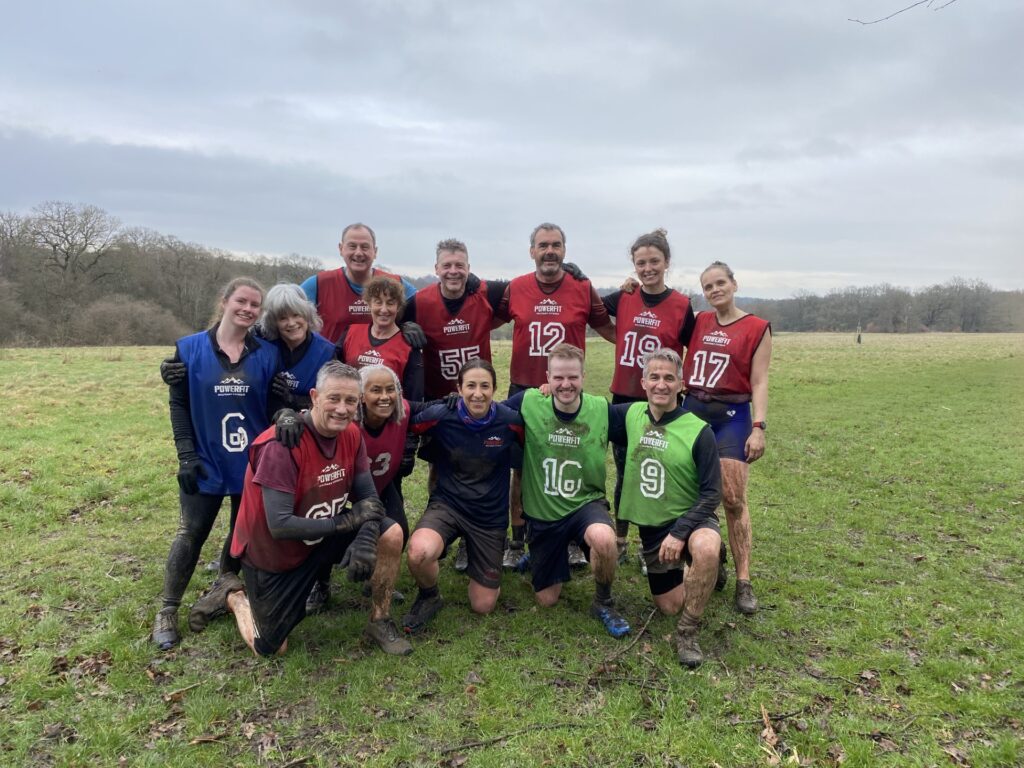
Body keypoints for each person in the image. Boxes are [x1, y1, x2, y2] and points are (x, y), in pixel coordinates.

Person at [218, 361, 411, 656]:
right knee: (270, 648)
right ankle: (233, 595)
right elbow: (280, 526)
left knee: (392, 533)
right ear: (314, 397)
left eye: (350, 400)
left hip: (320, 531)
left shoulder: (351, 434)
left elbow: (369, 500)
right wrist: (348, 523)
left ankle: (380, 619)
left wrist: (366, 538)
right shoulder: (281, 445)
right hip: (274, 553)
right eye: (333, 398)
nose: (342, 409)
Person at [151, 277, 280, 650]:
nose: (248, 309)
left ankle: (224, 586)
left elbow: (275, 403)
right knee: (191, 532)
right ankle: (168, 609)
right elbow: (179, 404)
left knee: (244, 533)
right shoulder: (189, 350)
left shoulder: (267, 352)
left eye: (256, 305)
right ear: (224, 302)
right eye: (242, 301)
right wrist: (186, 454)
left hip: (251, 461)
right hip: (205, 458)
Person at [494, 223, 616, 568]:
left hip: (566, 389)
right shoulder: (516, 287)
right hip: (525, 390)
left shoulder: (582, 286)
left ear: (565, 250)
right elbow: (485, 318)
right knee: (520, 469)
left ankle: (574, 537)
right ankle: (518, 541)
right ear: (531, 250)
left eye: (556, 245)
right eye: (543, 245)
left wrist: (641, 347)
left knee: (571, 462)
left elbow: (606, 326)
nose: (550, 251)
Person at [504, 344, 630, 637]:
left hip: (585, 505)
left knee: (604, 540)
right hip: (544, 512)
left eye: (572, 377)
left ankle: (603, 601)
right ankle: (538, 555)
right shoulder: (528, 401)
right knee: (546, 600)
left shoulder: (601, 409)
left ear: (583, 376)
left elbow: (645, 417)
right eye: (558, 377)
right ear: (547, 376)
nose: (566, 384)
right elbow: (487, 414)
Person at [612, 348, 722, 668]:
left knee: (705, 547)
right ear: (643, 382)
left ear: (681, 384)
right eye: (655, 377)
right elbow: (581, 409)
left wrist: (680, 531)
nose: (661, 384)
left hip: (692, 518)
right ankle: (706, 568)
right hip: (653, 527)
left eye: (669, 378)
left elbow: (712, 492)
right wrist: (545, 390)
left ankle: (688, 632)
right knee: (669, 605)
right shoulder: (630, 414)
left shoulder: (698, 430)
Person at [401, 360, 524, 634]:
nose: (477, 393)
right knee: (418, 553)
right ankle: (429, 595)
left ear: (495, 389)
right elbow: (404, 416)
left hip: (488, 518)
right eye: (470, 385)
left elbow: (538, 434)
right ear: (459, 388)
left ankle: (481, 559)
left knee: (483, 606)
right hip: (448, 506)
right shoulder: (442, 415)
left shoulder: (510, 421)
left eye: (484, 386)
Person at [681, 261, 772, 615]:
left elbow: (760, 380)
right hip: (692, 409)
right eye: (708, 286)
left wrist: (759, 426)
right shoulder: (700, 321)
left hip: (732, 415)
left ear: (734, 284)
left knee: (733, 498)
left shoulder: (756, 327)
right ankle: (707, 552)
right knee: (688, 490)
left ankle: (744, 580)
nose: (715, 290)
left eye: (721, 283)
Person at [602, 229, 695, 565]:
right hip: (625, 399)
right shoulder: (623, 296)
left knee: (655, 471)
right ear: (634, 265)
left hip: (663, 402)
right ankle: (621, 539)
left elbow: (692, 349)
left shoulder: (682, 305)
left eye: (654, 261)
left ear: (666, 262)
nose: (647, 268)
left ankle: (651, 544)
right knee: (626, 471)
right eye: (641, 262)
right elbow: (590, 309)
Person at [300, 223, 418, 344]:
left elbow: (428, 305)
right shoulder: (319, 284)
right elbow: (286, 312)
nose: (358, 253)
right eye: (352, 246)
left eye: (365, 247)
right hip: (332, 361)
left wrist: (408, 325)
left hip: (382, 362)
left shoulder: (394, 283)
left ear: (375, 251)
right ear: (341, 249)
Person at [257, 283, 337, 415]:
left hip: (307, 426)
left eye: (296, 315)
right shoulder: (263, 345)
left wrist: (293, 399)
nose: (292, 323)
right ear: (273, 322)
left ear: (307, 314)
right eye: (283, 318)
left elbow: (332, 399)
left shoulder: (326, 352)